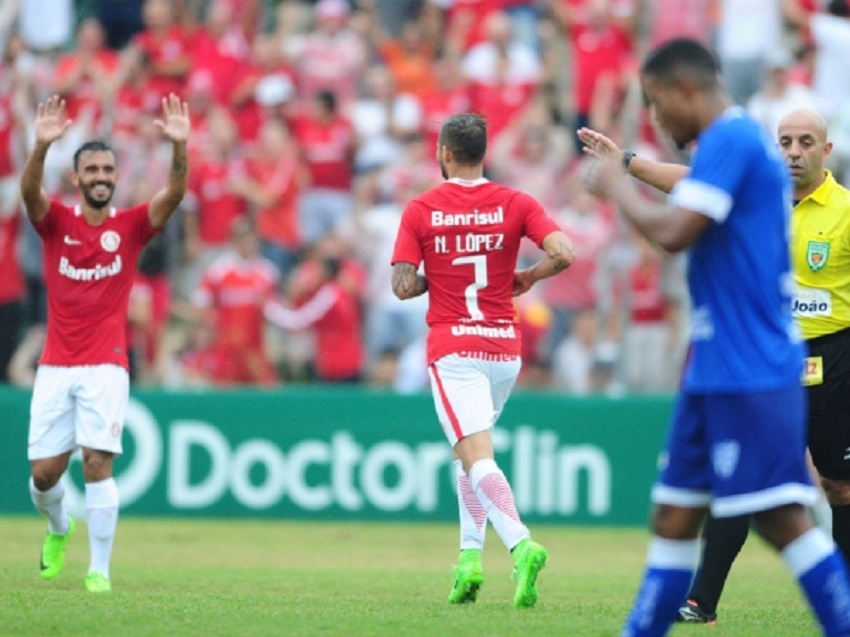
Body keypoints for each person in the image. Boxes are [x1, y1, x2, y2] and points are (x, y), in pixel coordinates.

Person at [579, 38, 850, 636]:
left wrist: (617, 187)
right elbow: (686, 186)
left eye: (656, 104)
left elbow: (674, 232)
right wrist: (630, 165)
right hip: (714, 364)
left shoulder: (734, 138)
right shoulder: (739, 148)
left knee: (783, 520)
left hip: (750, 367)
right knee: (674, 517)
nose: (657, 119)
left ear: (684, 90)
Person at [390, 112, 575, 608]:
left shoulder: (422, 208)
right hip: (504, 349)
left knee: (476, 456)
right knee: (467, 455)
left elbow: (402, 285)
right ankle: (469, 561)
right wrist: (530, 276)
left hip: (455, 350)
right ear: (483, 153)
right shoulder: (516, 202)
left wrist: (437, 278)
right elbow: (564, 252)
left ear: (445, 153)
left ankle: (521, 544)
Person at [675, 109, 850, 624]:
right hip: (767, 360)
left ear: (826, 150)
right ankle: (700, 602)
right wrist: (630, 163)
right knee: (741, 482)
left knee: (840, 484)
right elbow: (688, 181)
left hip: (834, 358)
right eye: (785, 141)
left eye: (805, 142)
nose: (793, 151)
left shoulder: (845, 210)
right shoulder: (759, 199)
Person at [21, 92, 189, 592]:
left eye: (107, 170)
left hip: (106, 364)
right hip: (56, 364)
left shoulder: (130, 226)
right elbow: (29, 193)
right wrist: (40, 147)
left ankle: (99, 571)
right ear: (76, 178)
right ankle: (59, 527)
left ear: (116, 177)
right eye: (91, 170)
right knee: (44, 475)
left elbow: (173, 195)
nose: (100, 176)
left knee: (98, 461)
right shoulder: (57, 223)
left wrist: (180, 148)